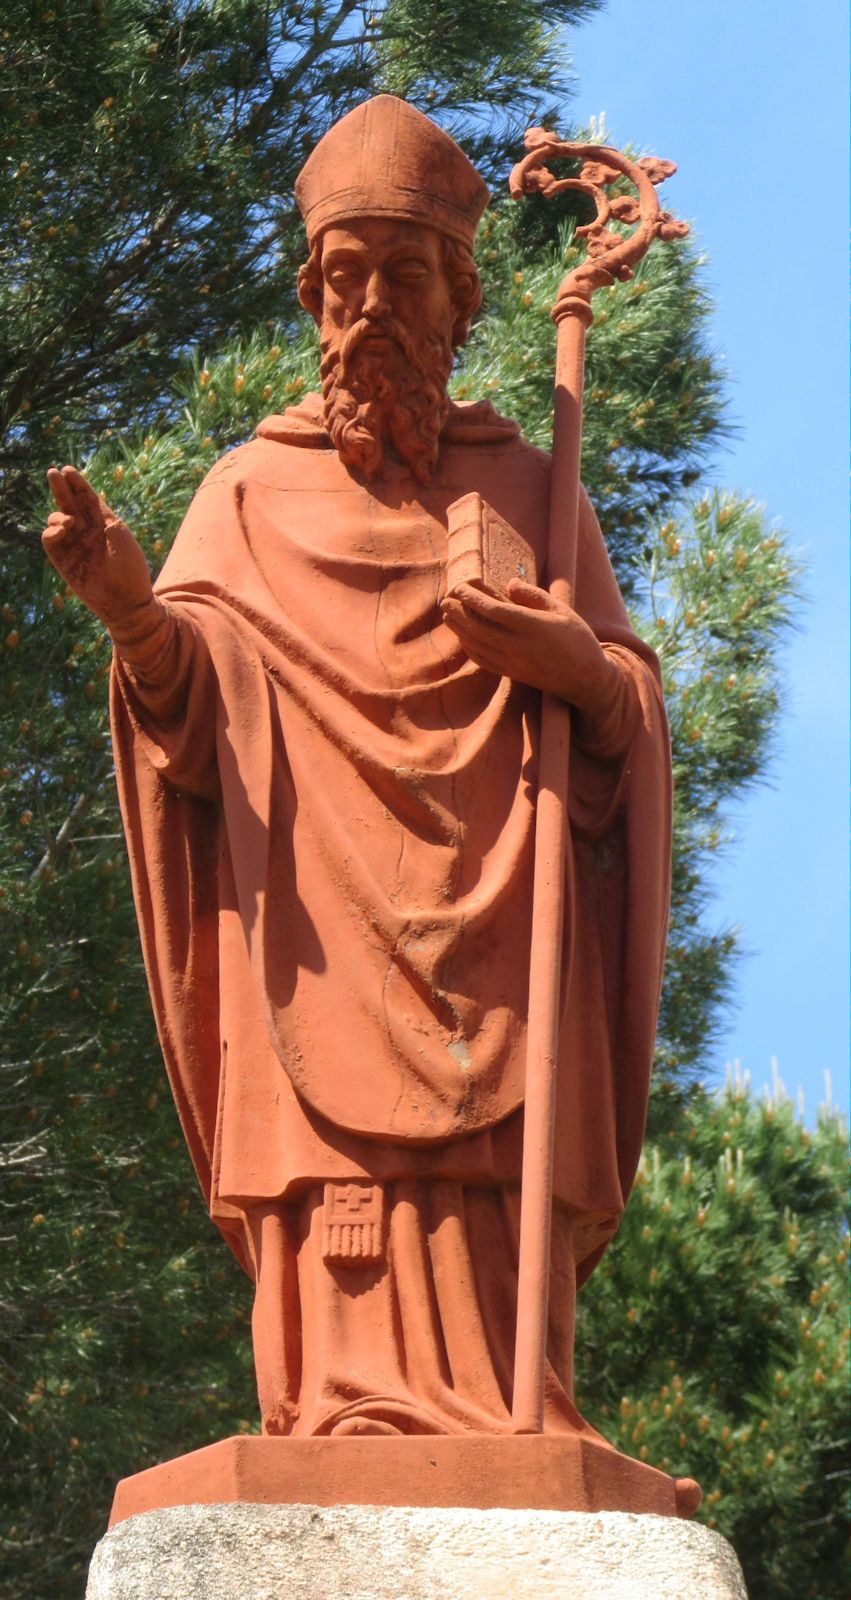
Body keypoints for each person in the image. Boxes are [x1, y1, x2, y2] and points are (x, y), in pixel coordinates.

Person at [42, 96, 671, 1440]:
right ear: (313, 302)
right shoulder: (246, 499)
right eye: (345, 279)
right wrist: (133, 616)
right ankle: (332, 1408)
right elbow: (195, 716)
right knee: (334, 1291)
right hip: (313, 940)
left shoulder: (530, 494)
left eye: (403, 276)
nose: (371, 306)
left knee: (502, 1212)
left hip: (500, 944)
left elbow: (627, 717)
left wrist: (569, 665)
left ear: (456, 303)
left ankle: (518, 1413)